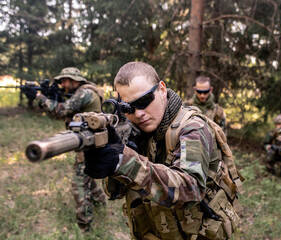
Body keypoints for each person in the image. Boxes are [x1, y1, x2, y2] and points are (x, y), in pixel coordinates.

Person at [83, 62, 243, 240]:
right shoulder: (136, 131)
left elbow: (190, 189)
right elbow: (115, 193)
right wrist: (110, 162)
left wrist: (125, 161)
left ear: (162, 90)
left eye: (144, 101)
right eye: (128, 108)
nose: (138, 114)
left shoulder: (192, 127)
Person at [34, 67, 107, 232]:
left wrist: (41, 98)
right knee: (85, 172)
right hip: (89, 141)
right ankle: (100, 201)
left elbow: (62, 110)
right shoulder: (88, 90)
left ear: (74, 80)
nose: (62, 85)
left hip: (88, 142)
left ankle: (85, 226)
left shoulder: (83, 93)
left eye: (64, 81)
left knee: (79, 184)